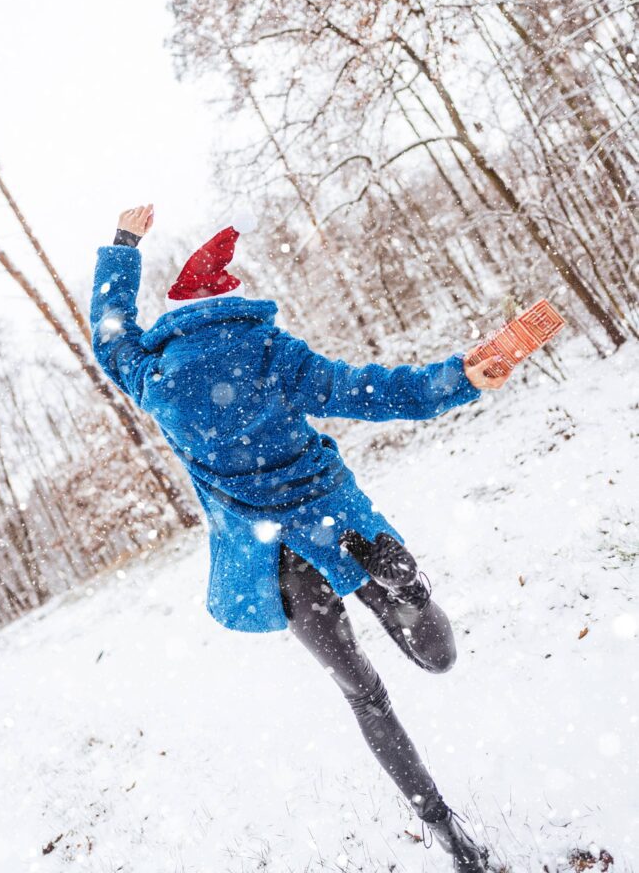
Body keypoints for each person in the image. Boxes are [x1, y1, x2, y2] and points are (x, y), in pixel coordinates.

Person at [90, 204, 512, 872]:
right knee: (436, 660)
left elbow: (109, 332)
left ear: (179, 313)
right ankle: (410, 594)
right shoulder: (268, 350)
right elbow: (369, 391)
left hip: (270, 562)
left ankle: (448, 835)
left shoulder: (152, 375)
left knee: (363, 695)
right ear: (234, 298)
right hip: (341, 530)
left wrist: (122, 246)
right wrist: (458, 377)